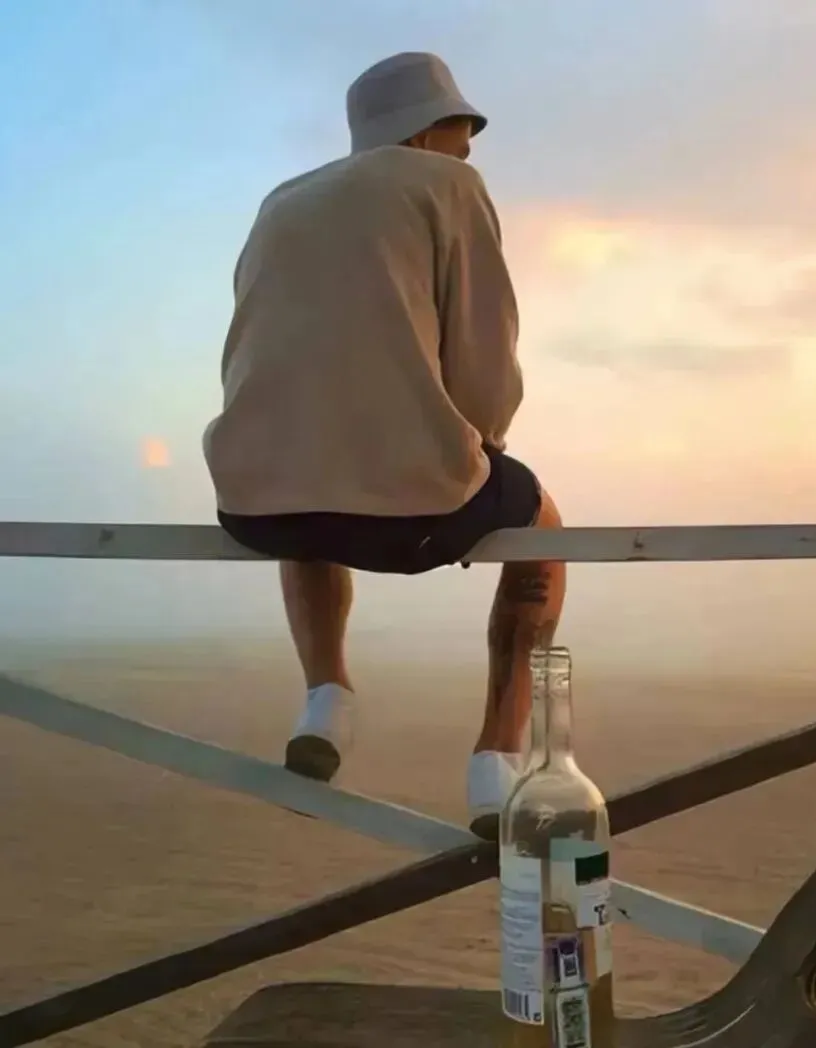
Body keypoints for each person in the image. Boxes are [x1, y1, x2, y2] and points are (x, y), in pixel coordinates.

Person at [202, 52, 564, 832]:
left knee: (308, 482)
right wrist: (481, 443)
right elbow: (483, 349)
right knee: (544, 528)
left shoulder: (281, 201)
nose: (469, 151)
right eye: (462, 134)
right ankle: (496, 759)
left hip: (257, 502)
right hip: (412, 512)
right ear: (428, 133)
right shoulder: (450, 184)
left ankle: (326, 698)